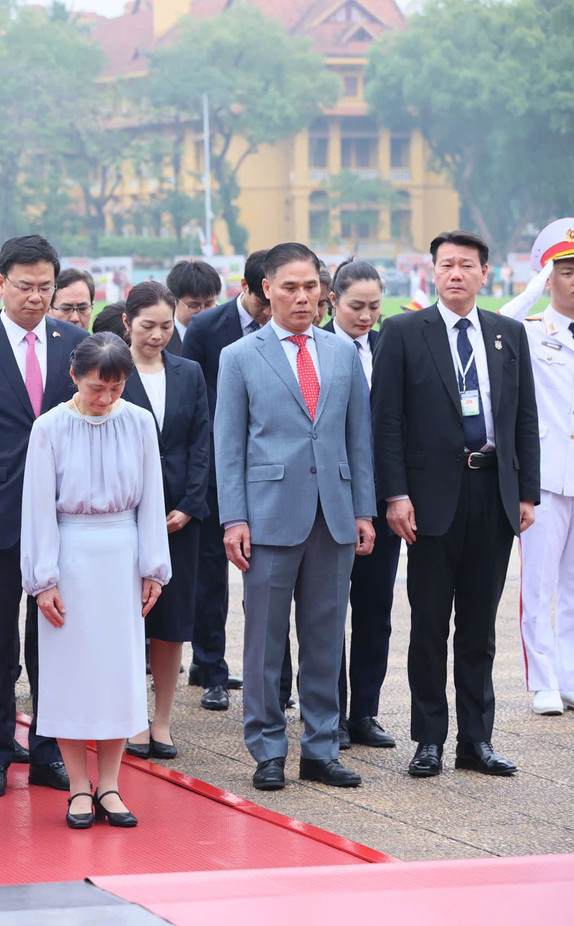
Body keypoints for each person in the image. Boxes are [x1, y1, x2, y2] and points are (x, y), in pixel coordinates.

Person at [374, 230, 539, 778]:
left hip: (493, 492)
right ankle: (429, 739)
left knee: (479, 627)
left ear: (484, 274)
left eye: (466, 265)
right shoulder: (403, 331)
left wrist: (527, 492)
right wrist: (396, 494)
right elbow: (386, 420)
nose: (455, 274)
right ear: (432, 271)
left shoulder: (508, 333)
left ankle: (477, 740)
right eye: (446, 264)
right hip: (429, 499)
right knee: (428, 625)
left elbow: (524, 417)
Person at [215, 243, 375, 791]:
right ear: (266, 289)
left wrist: (363, 509)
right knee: (264, 641)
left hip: (333, 514)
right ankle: (267, 750)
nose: (303, 297)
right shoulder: (239, 356)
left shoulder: (342, 353)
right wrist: (234, 518)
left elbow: (358, 439)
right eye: (290, 287)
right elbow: (228, 446)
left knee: (326, 638)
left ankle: (321, 748)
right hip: (267, 518)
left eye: (311, 287)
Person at [0, 234, 89, 799]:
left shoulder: (74, 342)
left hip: (61, 517)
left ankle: (50, 752)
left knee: (53, 640)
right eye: (24, 286)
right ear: (0, 283)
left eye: (44, 287)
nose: (35, 297)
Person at [20, 333, 170, 828]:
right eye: (95, 388)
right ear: (74, 377)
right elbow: (37, 507)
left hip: (123, 555)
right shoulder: (48, 427)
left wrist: (154, 567)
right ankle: (78, 787)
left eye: (115, 388)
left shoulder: (140, 421)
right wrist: (42, 579)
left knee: (118, 673)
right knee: (70, 674)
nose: (105, 399)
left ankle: (110, 784)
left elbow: (152, 498)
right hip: (69, 556)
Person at [116, 282, 210, 762]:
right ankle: (132, 717)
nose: (157, 335)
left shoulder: (189, 372)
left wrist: (190, 505)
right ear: (127, 322)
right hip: (125, 516)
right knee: (129, 618)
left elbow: (201, 442)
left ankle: (162, 721)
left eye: (166, 326)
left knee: (171, 623)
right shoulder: (112, 371)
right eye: (147, 326)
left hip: (179, 519)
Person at [181, 249, 271, 712]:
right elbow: (193, 401)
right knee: (211, 574)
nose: (271, 313)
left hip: (269, 468)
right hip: (217, 467)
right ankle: (211, 668)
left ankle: (268, 676)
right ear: (248, 288)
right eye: (264, 302)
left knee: (266, 572)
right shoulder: (206, 328)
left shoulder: (288, 331)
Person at [322, 259, 399, 749]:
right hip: (329, 501)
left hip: (381, 502)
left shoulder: (390, 347)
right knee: (326, 614)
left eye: (374, 307)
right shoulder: (316, 349)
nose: (366, 316)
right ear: (333, 301)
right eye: (356, 306)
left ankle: (365, 713)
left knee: (375, 611)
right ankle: (328, 714)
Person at [499, 219, 574, 716]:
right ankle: (544, 680)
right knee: (539, 584)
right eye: (566, 271)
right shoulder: (527, 330)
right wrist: (528, 293)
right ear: (548, 278)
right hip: (546, 477)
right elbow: (489, 327)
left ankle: (569, 675)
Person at [165, 260, 223, 355]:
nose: (203, 313)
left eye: (209, 304)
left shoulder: (226, 337)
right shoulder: (162, 342)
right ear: (174, 302)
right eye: (194, 306)